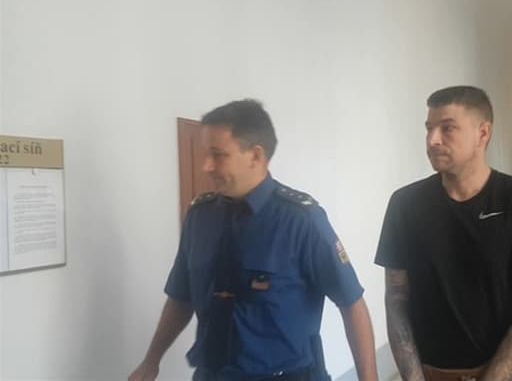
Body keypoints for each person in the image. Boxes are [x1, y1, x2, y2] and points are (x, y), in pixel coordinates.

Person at [129, 100, 377, 381]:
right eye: (206, 154)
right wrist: (151, 361)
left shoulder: (301, 220)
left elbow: (351, 304)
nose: (206, 166)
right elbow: (180, 297)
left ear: (255, 156)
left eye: (218, 155)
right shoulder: (200, 217)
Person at [375, 86, 512, 381]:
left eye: (447, 128)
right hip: (436, 373)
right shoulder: (405, 205)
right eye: (429, 128)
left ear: (483, 133)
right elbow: (397, 298)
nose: (433, 140)